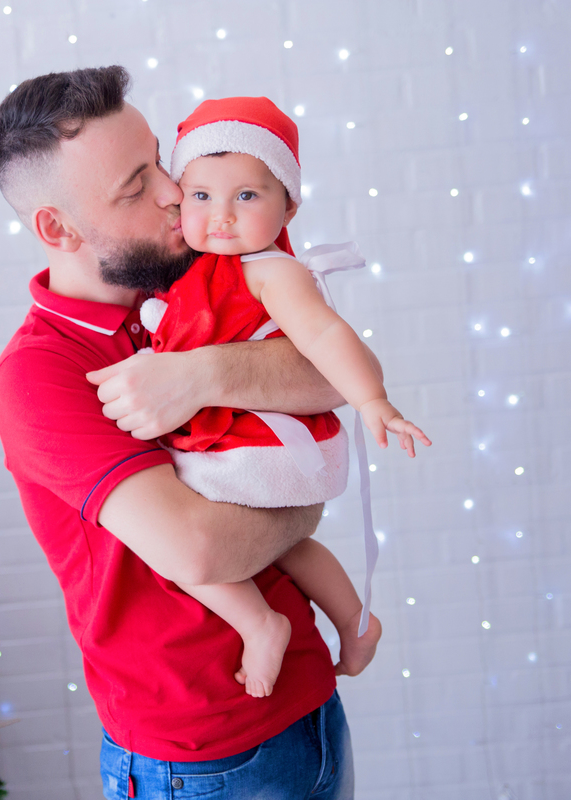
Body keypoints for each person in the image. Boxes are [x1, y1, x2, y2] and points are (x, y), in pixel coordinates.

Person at [0, 67, 370, 799]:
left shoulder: (196, 271)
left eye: (160, 159)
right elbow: (199, 546)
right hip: (199, 755)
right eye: (135, 186)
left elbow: (337, 376)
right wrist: (311, 497)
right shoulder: (38, 376)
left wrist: (204, 376)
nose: (174, 191)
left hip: (310, 704)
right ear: (56, 228)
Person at [138, 96, 430, 700]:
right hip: (241, 439)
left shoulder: (271, 270)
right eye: (201, 196)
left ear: (289, 204)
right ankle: (355, 621)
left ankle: (258, 623)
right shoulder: (192, 269)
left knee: (168, 541)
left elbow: (324, 334)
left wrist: (374, 401)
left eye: (246, 196)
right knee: (293, 545)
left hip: (250, 445)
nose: (221, 215)